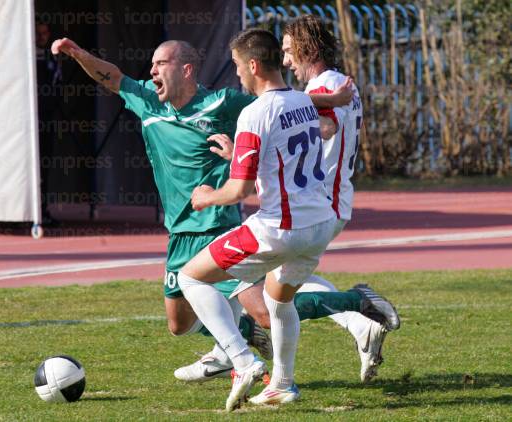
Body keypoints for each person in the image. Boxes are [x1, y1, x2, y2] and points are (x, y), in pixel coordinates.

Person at [50, 36, 395, 401]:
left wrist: (329, 103)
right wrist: (76, 53)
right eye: (150, 64)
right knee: (179, 324)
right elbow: (112, 77)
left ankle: (350, 306)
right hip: (180, 230)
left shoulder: (224, 103)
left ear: (186, 69)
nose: (151, 71)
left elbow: (275, 102)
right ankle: (234, 342)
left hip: (218, 221)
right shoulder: (148, 103)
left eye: (160, 64)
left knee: (265, 311)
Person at [178, 28, 400, 410]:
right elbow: (317, 129)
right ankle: (281, 384)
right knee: (278, 301)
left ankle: (241, 360)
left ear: (251, 65)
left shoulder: (254, 112)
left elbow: (239, 191)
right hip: (319, 225)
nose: (236, 76)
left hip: (279, 227)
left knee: (190, 277)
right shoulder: (302, 100)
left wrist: (205, 198)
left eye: (236, 67)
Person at [282, 15, 399, 383]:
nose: (286, 61)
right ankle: (358, 322)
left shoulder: (326, 85)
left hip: (318, 202)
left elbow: (327, 125)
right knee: (281, 281)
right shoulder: (338, 83)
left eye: (288, 51)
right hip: (329, 199)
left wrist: (276, 133)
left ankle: (241, 359)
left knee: (269, 286)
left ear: (307, 48)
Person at [36, 22, 61, 226]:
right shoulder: (28, 58)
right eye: (37, 33)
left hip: (47, 120)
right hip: (30, 122)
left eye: (45, 32)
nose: (41, 37)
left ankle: (42, 209)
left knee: (45, 166)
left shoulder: (51, 57)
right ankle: (28, 212)